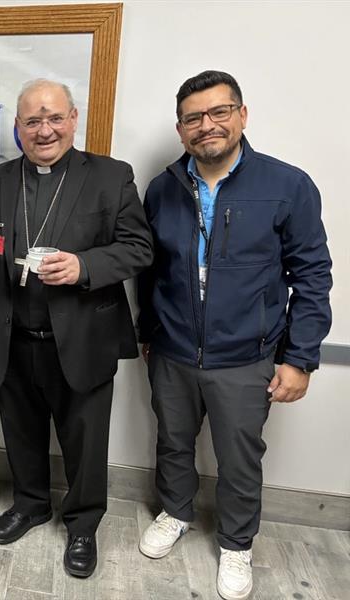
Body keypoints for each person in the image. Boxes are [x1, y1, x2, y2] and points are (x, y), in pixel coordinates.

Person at [137, 70, 332, 600]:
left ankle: (237, 544)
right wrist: (148, 331)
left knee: (239, 457)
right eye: (194, 118)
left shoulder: (286, 185)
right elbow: (150, 270)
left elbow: (312, 275)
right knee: (173, 442)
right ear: (181, 130)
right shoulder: (162, 189)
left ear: (242, 116)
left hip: (247, 356)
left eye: (219, 112)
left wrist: (300, 358)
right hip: (173, 351)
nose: (207, 126)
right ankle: (175, 513)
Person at [0, 79, 153, 577]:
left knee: (86, 440)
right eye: (33, 121)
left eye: (54, 118)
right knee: (20, 432)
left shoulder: (111, 176)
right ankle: (31, 503)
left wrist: (84, 266)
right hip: (11, 335)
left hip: (82, 336)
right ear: (17, 127)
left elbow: (139, 248)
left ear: (74, 118)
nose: (45, 130)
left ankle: (83, 524)